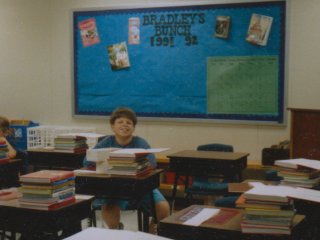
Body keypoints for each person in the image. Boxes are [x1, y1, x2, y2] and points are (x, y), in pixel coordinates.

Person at [83, 107, 170, 231]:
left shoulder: (141, 143)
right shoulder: (105, 142)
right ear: (112, 126)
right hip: (111, 187)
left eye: (129, 123)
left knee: (163, 207)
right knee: (109, 207)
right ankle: (116, 231)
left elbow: (152, 162)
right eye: (120, 122)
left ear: (133, 127)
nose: (125, 125)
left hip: (138, 185)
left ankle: (152, 228)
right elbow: (87, 161)